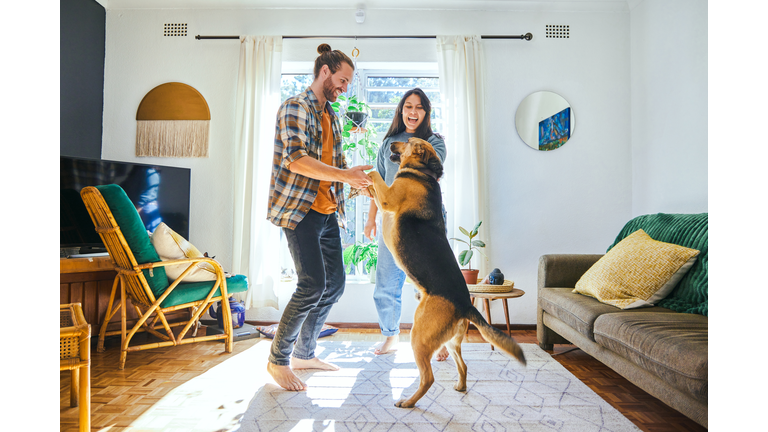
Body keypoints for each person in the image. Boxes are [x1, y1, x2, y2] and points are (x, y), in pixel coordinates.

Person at [266, 43, 373, 391]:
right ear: (324, 72)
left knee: (335, 284)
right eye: (341, 81)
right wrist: (344, 176)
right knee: (311, 283)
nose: (344, 89)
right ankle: (278, 359)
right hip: (300, 210)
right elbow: (296, 160)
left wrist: (360, 184)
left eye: (347, 84)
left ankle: (304, 352)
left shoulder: (332, 116)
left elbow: (335, 169)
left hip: (327, 212)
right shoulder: (295, 107)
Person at [363, 88, 450, 361]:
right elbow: (377, 185)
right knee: (386, 282)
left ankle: (436, 337)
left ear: (426, 112)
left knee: (427, 284)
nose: (413, 112)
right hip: (391, 222)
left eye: (419, 107)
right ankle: (391, 335)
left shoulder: (434, 143)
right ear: (401, 110)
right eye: (408, 106)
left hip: (424, 222)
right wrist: (370, 219)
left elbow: (427, 174)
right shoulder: (389, 141)